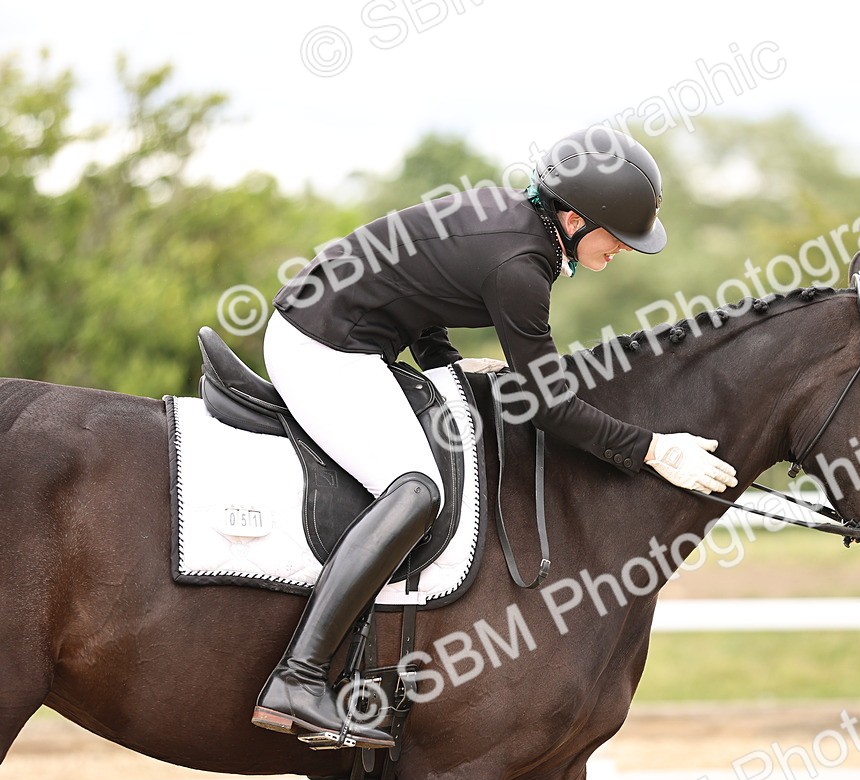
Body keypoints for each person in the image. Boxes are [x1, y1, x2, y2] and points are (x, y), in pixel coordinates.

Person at [250, 127, 738, 748]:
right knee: (417, 491)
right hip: (322, 346)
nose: (624, 250)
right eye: (619, 236)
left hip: (354, 334)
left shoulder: (517, 228)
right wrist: (651, 449)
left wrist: (449, 370)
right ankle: (298, 677)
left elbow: (422, 291)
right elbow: (549, 405)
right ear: (574, 217)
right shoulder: (521, 267)